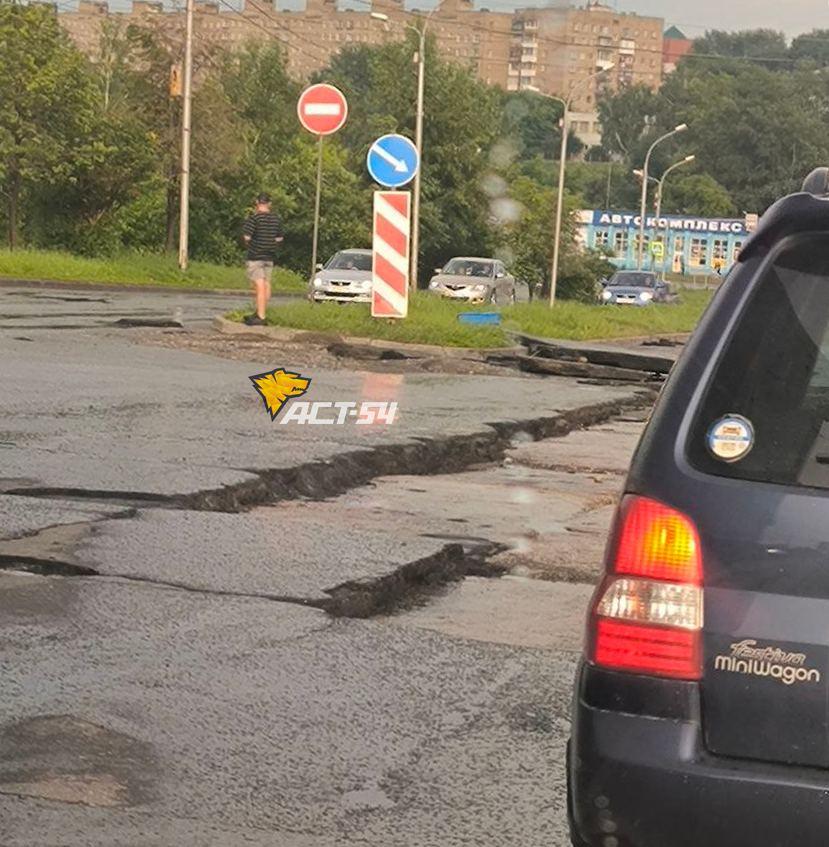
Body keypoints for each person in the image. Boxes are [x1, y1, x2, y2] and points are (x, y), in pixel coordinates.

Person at [242, 193, 283, 326]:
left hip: (255, 256)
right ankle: (260, 311)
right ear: (269, 203)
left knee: (259, 285)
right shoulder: (276, 219)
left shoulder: (254, 219)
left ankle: (261, 316)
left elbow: (247, 237)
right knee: (266, 284)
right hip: (269, 255)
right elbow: (279, 238)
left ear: (257, 202)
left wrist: (254, 243)